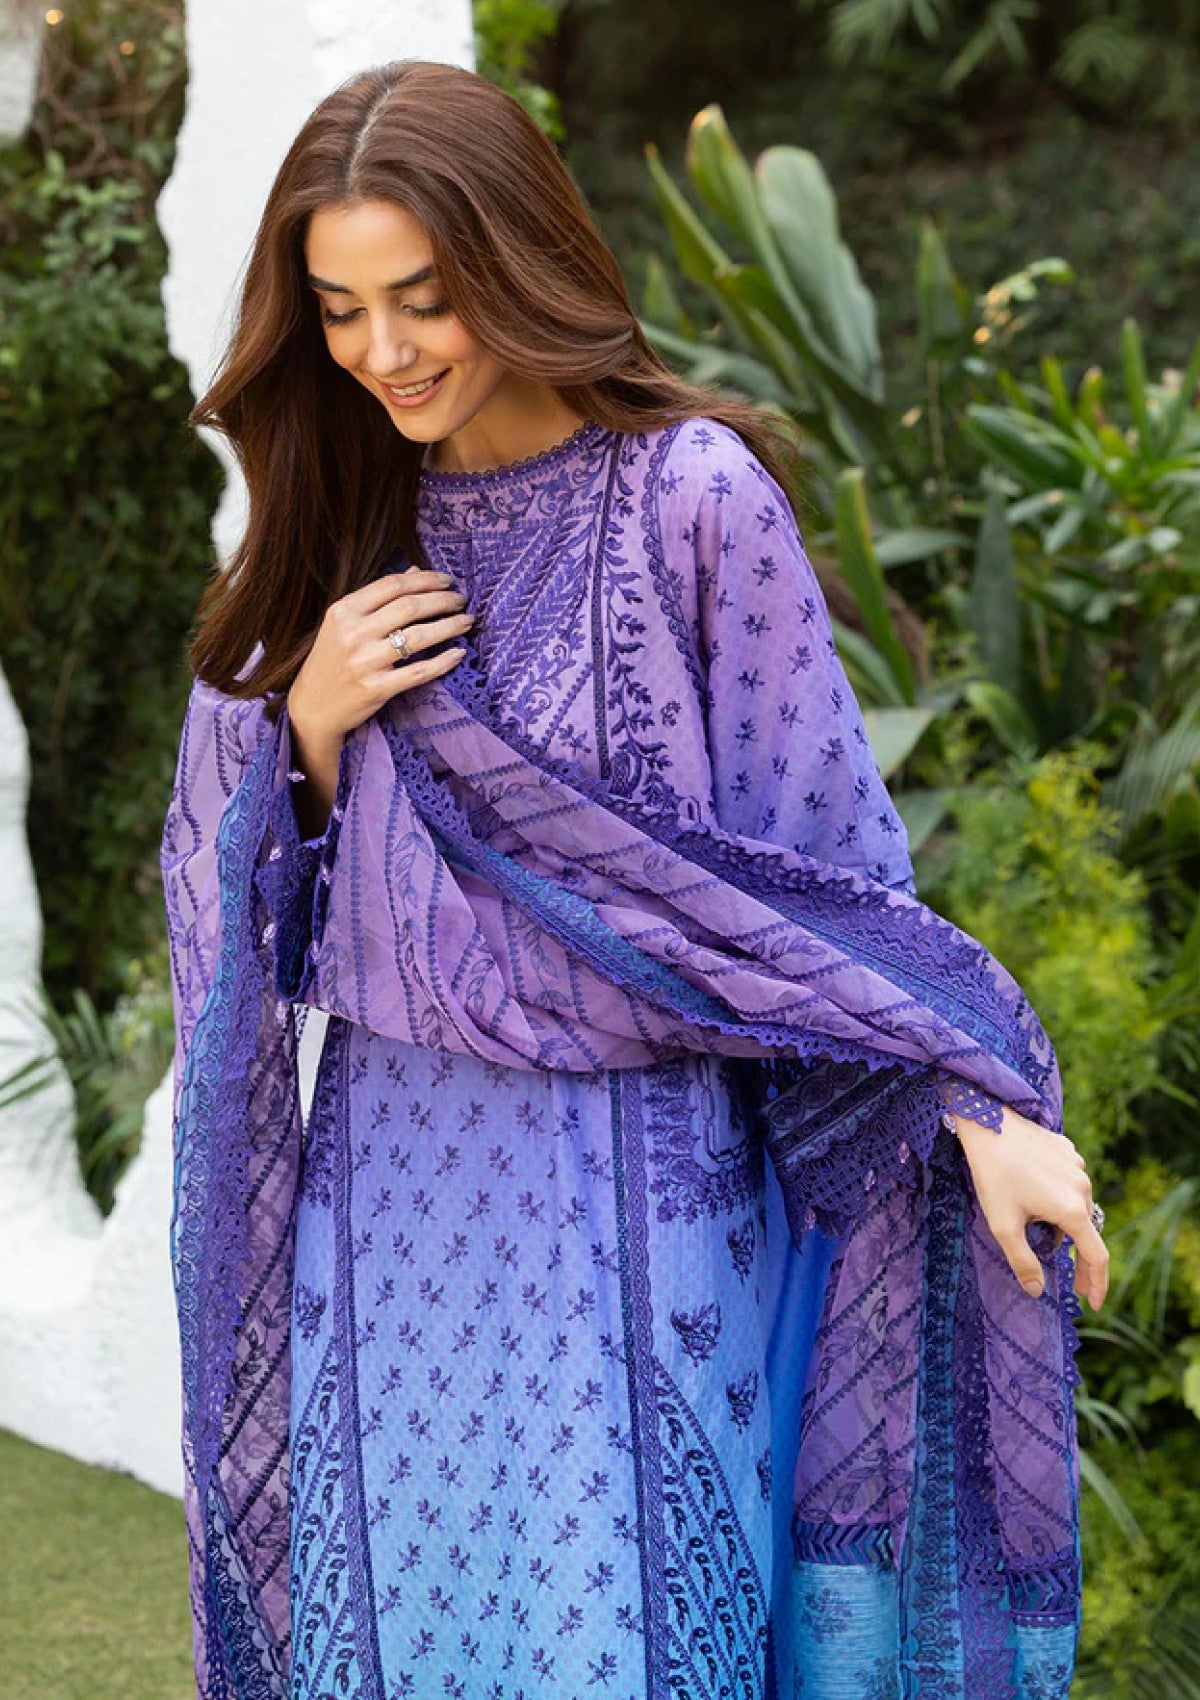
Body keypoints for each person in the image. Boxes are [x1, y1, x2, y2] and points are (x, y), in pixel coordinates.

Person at [160, 58, 1107, 1700]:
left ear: (518, 259)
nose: (385, 351)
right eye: (340, 309)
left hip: (637, 1209)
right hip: (385, 1215)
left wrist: (970, 1103)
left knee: (630, 1639)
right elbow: (231, 907)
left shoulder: (692, 502)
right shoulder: (338, 524)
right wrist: (303, 730)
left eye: (424, 299)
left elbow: (816, 890)